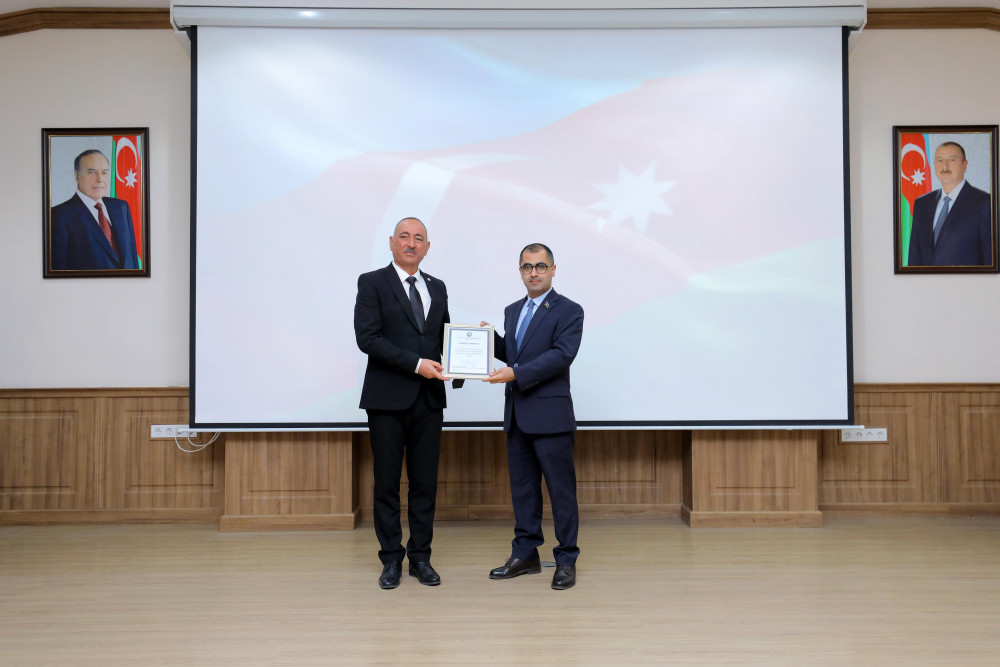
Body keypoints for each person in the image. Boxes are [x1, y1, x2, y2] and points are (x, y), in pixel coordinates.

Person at [354, 217, 461, 590]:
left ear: (427, 248)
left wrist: (464, 366)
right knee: (386, 483)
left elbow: (445, 338)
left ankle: (420, 558)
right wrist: (417, 365)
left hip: (429, 400)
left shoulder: (438, 287)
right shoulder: (372, 282)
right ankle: (390, 559)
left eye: (418, 238)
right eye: (404, 236)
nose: (411, 243)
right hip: (387, 400)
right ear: (391, 242)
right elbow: (368, 338)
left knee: (424, 483)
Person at [484, 243, 584, 590]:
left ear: (553, 270)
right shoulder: (513, 311)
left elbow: (561, 355)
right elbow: (516, 354)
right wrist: (487, 341)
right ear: (520, 272)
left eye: (541, 266)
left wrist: (515, 373)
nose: (534, 273)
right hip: (518, 415)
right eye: (527, 267)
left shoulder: (569, 310)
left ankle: (566, 559)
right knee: (523, 490)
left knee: (561, 492)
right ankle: (525, 554)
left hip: (551, 416)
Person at [50, 149, 139, 271]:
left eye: (104, 173)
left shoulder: (121, 207)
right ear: (77, 175)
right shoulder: (59, 216)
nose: (99, 179)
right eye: (91, 172)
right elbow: (59, 271)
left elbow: (132, 259)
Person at [908, 141, 993, 267]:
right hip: (926, 280)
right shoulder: (922, 203)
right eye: (940, 160)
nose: (945, 166)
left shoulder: (985, 203)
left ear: (964, 165)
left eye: (952, 160)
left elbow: (990, 258)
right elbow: (914, 255)